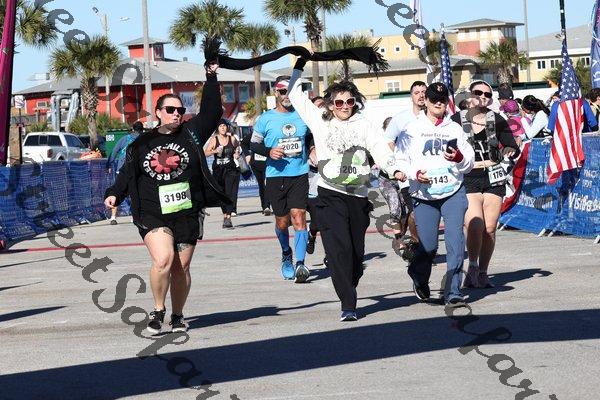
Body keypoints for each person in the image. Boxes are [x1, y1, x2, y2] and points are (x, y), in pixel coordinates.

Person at [104, 63, 229, 334]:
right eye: (170, 110)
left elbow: (212, 111)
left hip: (186, 210)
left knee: (180, 268)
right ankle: (158, 310)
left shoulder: (192, 133)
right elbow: (128, 173)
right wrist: (114, 193)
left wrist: (211, 76)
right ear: (158, 112)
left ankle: (177, 314)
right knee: (163, 259)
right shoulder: (141, 143)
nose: (176, 114)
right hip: (153, 211)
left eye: (180, 111)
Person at [288, 58, 407, 321]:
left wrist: (394, 169)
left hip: (358, 195)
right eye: (339, 102)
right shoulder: (320, 120)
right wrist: (299, 65)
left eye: (349, 102)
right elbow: (294, 95)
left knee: (355, 254)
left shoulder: (364, 124)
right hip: (329, 193)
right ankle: (348, 303)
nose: (344, 107)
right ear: (330, 104)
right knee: (338, 248)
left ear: (355, 103)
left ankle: (351, 278)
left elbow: (379, 149)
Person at [397, 82, 475, 306]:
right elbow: (400, 159)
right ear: (427, 101)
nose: (438, 103)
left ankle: (453, 291)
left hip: (453, 191)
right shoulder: (412, 128)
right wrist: (414, 173)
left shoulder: (455, 128)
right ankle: (418, 275)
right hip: (424, 195)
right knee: (429, 246)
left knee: (455, 241)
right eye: (434, 99)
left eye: (442, 100)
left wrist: (459, 158)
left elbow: (468, 163)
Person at [451, 80, 519, 289]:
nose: (482, 96)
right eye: (478, 92)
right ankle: (472, 266)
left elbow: (510, 145)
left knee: (489, 228)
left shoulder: (496, 119)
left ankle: (482, 271)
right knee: (475, 225)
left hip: (493, 176)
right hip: (468, 176)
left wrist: (508, 150)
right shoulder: (456, 120)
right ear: (470, 95)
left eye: (487, 94)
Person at [250, 76, 311, 283]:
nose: (287, 96)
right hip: (276, 176)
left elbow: (312, 136)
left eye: (291, 92)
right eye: (283, 91)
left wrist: (312, 148)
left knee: (299, 217)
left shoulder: (303, 115)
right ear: (276, 93)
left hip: (299, 173)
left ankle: (300, 263)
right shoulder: (265, 118)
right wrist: (269, 151)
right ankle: (286, 252)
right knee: (283, 222)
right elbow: (253, 144)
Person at [382, 81, 425, 254]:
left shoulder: (434, 116)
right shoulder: (401, 118)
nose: (421, 95)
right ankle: (416, 246)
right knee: (415, 212)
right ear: (411, 96)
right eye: (417, 92)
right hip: (408, 176)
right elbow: (387, 140)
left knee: (426, 214)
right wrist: (399, 160)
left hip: (430, 175)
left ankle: (420, 245)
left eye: (423, 92)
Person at [205, 119, 240, 229]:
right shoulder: (214, 139)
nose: (223, 128)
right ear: (218, 129)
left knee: (229, 193)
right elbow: (205, 153)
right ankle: (225, 215)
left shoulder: (232, 138)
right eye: (221, 126)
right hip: (218, 171)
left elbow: (237, 146)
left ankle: (228, 217)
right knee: (221, 194)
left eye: (224, 126)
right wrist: (215, 151)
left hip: (230, 169)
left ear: (227, 127)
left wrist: (236, 153)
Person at [106, 121, 143, 225]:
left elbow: (114, 151)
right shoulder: (143, 139)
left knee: (117, 191)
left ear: (133, 129)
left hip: (122, 169)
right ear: (142, 129)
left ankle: (113, 217)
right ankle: (134, 216)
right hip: (137, 169)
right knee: (135, 193)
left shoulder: (125, 138)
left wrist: (108, 165)